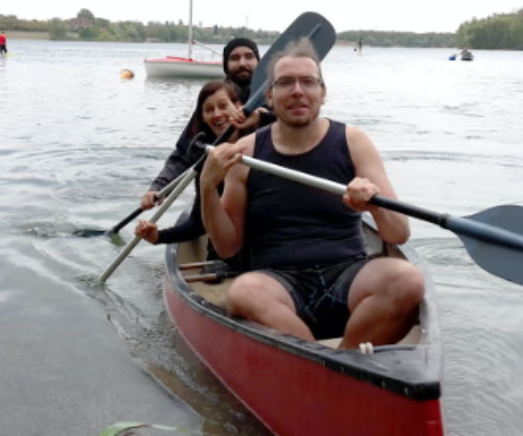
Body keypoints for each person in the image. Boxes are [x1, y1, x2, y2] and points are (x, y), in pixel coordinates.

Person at [200, 38, 424, 350]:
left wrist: (373, 205)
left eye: (308, 81)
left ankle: (341, 361)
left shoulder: (353, 141)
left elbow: (398, 233)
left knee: (408, 280)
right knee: (242, 292)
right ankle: (327, 368)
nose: (297, 91)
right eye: (285, 82)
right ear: (269, 94)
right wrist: (208, 187)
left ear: (322, 92)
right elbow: (226, 247)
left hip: (348, 275)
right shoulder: (246, 153)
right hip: (279, 284)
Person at [140, 37, 271, 210]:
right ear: (225, 65)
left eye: (248, 57)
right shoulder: (214, 100)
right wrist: (159, 187)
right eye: (234, 58)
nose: (242, 63)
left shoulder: (275, 99)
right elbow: (183, 154)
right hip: (223, 196)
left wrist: (265, 117)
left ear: (258, 62)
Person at [134, 80, 250, 268]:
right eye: (209, 109)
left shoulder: (262, 141)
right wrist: (158, 237)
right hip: (227, 253)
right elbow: (199, 222)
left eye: (223, 106)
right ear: (203, 117)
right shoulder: (207, 160)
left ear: (238, 107)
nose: (217, 114)